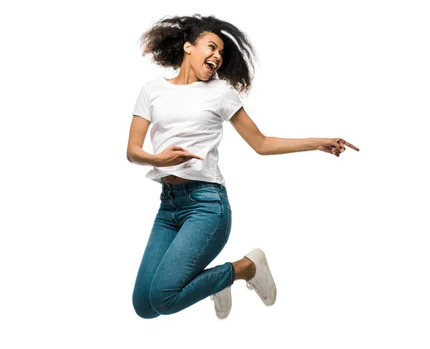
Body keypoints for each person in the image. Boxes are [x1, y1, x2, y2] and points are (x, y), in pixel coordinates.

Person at [127, 14, 360, 320]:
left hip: (206, 206)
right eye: (211, 47)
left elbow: (261, 143)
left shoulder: (221, 92)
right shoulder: (152, 91)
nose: (217, 56)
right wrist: (159, 160)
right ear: (187, 47)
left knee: (164, 298)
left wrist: (316, 142)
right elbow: (133, 151)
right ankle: (216, 284)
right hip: (168, 207)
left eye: (221, 54)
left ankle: (246, 267)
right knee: (145, 306)